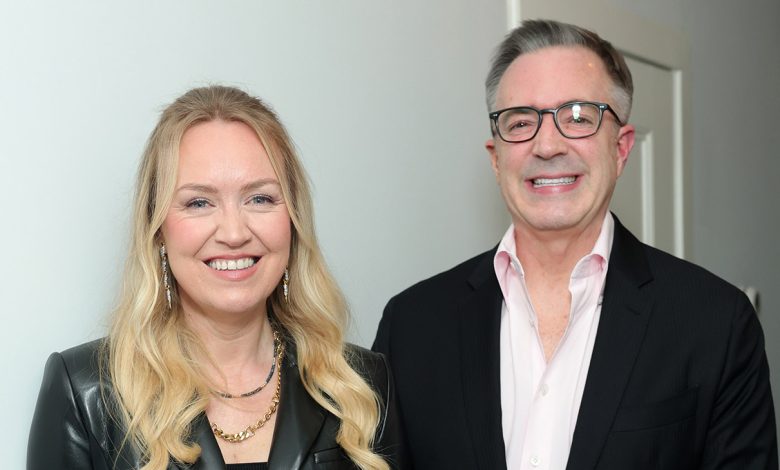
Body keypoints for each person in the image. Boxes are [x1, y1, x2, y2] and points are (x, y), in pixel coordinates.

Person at [373, 19, 777, 470]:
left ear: (621, 148)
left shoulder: (716, 323)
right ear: (496, 158)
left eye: (579, 118)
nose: (547, 145)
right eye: (521, 122)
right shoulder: (411, 326)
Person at [29, 85, 406, 470]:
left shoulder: (363, 386)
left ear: (293, 220)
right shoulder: (85, 392)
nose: (234, 232)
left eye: (260, 198)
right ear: (158, 230)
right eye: (199, 202)